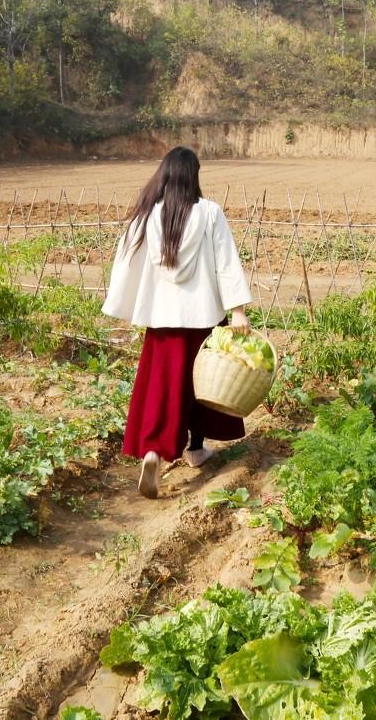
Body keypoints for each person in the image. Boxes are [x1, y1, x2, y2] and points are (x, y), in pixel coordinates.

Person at [103, 146, 252, 498]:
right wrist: (238, 309)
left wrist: (123, 306)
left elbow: (126, 263)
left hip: (161, 319)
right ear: (193, 176)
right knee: (203, 385)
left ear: (166, 176)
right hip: (202, 317)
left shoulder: (148, 217)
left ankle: (154, 450)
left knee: (162, 386)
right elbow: (226, 262)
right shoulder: (210, 213)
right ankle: (195, 449)